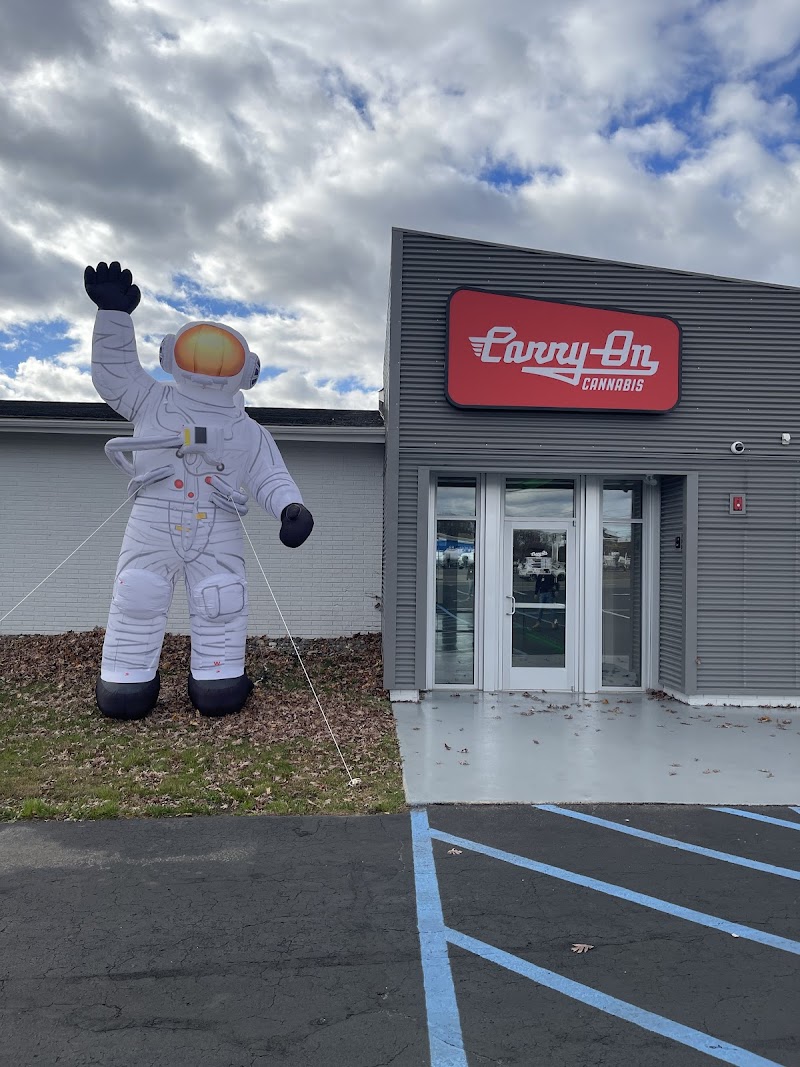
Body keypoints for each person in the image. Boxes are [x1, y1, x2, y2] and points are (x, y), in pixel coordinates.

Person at [85, 261, 314, 720]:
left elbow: (269, 475)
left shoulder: (246, 431)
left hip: (219, 523)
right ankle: (126, 682)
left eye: (221, 357)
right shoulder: (151, 400)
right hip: (153, 518)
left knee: (221, 601)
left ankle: (218, 680)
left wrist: (291, 508)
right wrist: (113, 316)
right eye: (199, 352)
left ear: (246, 371)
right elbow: (115, 376)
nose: (209, 364)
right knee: (138, 596)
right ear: (170, 355)